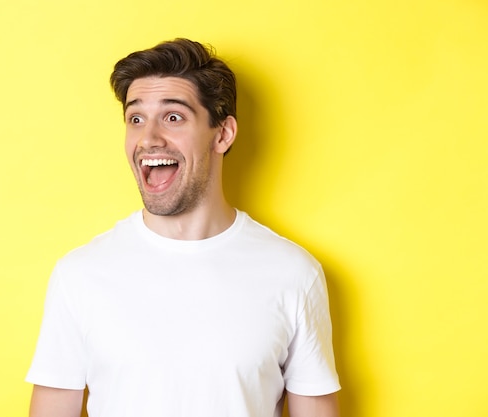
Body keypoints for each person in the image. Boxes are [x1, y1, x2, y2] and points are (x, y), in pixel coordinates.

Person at [26, 38, 341, 417]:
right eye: (135, 119)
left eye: (173, 117)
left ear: (222, 134)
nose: (148, 139)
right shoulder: (79, 275)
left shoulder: (293, 274)